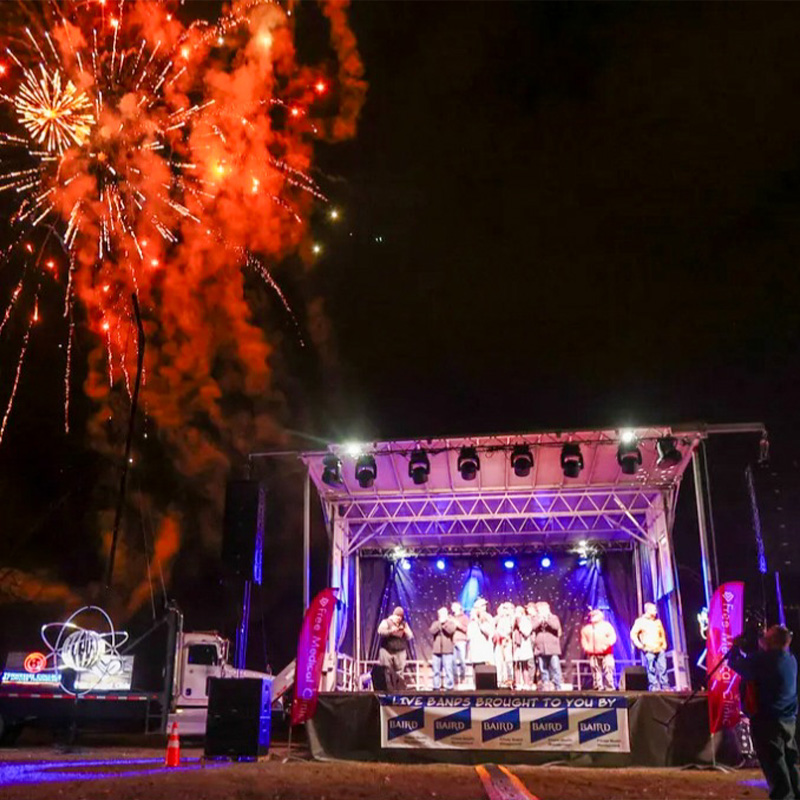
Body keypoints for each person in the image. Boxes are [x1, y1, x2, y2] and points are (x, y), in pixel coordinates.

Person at [729, 625, 800, 800]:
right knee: (789, 761)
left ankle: (783, 797)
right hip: (788, 718)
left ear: (772, 641)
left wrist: (735, 647)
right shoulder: (790, 659)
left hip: (768, 720)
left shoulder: (764, 660)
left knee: (774, 762)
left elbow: (736, 664)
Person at [630, 602, 669, 691]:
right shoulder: (640, 621)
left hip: (659, 648)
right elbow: (633, 634)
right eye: (654, 610)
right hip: (648, 649)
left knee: (663, 668)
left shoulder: (657, 622)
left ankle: (665, 686)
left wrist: (664, 643)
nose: (656, 612)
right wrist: (639, 645)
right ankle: (654, 687)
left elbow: (662, 633)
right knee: (651, 669)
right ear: (648, 610)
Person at [377, 606, 414, 691]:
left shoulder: (404, 624)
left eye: (400, 617)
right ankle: (387, 691)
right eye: (397, 616)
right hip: (387, 650)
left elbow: (410, 636)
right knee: (386, 671)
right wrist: (391, 631)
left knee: (399, 673)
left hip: (400, 651)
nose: (399, 618)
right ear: (394, 615)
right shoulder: (386, 622)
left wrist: (405, 631)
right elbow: (380, 631)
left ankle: (399, 692)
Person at [580, 608, 617, 691]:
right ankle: (598, 687)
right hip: (593, 654)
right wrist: (587, 648)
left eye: (594, 615)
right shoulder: (587, 628)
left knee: (608, 669)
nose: (592, 617)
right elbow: (584, 641)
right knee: (596, 671)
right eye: (591, 615)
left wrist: (606, 645)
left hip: (606, 653)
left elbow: (612, 637)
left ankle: (610, 687)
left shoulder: (606, 626)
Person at [532, 601, 563, 690]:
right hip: (540, 648)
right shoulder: (536, 618)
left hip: (552, 648)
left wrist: (547, 619)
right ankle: (546, 685)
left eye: (542, 609)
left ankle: (558, 686)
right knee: (542, 668)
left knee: (555, 667)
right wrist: (539, 620)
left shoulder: (553, 617)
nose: (540, 611)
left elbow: (556, 626)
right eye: (539, 610)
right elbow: (532, 627)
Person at [429, 606, 457, 690]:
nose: (441, 615)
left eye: (443, 614)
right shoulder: (436, 623)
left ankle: (449, 686)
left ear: (446, 614)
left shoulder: (451, 623)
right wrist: (439, 624)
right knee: (436, 670)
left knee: (448, 670)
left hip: (447, 651)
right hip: (436, 651)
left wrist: (444, 624)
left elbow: (451, 631)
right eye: (440, 614)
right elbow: (432, 631)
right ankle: (436, 686)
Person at [467, 598, 494, 671]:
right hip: (475, 651)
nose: (484, 607)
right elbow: (469, 635)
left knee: (484, 674)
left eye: (484, 605)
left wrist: (478, 622)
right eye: (482, 606)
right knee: (476, 673)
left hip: (484, 651)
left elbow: (489, 632)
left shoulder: (488, 617)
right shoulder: (472, 621)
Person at [494, 602, 515, 689]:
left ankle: (509, 680)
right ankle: (499, 680)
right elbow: (494, 625)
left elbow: (511, 628)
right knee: (499, 662)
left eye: (507, 608)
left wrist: (506, 636)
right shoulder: (499, 618)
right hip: (499, 643)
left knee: (509, 661)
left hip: (508, 643)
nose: (505, 610)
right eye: (504, 608)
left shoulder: (512, 618)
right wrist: (499, 615)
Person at [513, 605, 534, 690]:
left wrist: (520, 624)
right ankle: (518, 683)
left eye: (518, 612)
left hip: (524, 646)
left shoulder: (526, 621)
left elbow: (526, 632)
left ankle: (526, 683)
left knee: (525, 665)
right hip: (517, 647)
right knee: (517, 665)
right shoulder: (514, 621)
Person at [450, 601, 469, 688]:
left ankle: (463, 678)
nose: (452, 608)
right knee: (453, 662)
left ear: (458, 607)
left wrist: (458, 625)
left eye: (454, 606)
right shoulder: (451, 617)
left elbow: (466, 629)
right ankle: (455, 680)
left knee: (462, 661)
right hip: (452, 641)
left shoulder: (464, 617)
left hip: (461, 641)